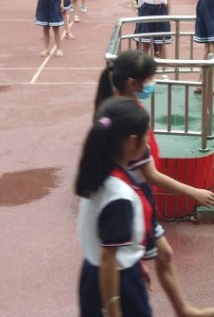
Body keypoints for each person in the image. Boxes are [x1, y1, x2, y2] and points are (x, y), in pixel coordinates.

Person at [94, 51, 214, 317]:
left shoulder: (121, 110)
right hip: (132, 203)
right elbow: (150, 174)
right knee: (127, 270)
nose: (153, 84)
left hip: (139, 199)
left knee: (163, 254)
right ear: (132, 83)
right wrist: (194, 192)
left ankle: (183, 310)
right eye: (149, 79)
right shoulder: (127, 123)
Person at [75, 97, 155, 317]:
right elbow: (108, 256)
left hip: (95, 274)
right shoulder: (119, 195)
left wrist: (134, 261)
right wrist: (113, 309)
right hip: (117, 282)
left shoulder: (99, 172)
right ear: (132, 142)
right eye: (146, 136)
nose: (148, 142)